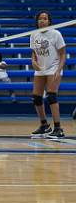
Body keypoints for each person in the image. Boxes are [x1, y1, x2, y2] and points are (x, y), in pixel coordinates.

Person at [30, 11, 66, 139]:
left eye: (45, 19)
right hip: (41, 69)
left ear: (49, 21)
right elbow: (34, 53)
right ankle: (44, 125)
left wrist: (59, 69)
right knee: (36, 97)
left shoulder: (56, 34)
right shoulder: (34, 35)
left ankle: (58, 128)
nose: (42, 21)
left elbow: (63, 54)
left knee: (51, 96)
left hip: (54, 67)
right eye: (40, 19)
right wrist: (33, 61)